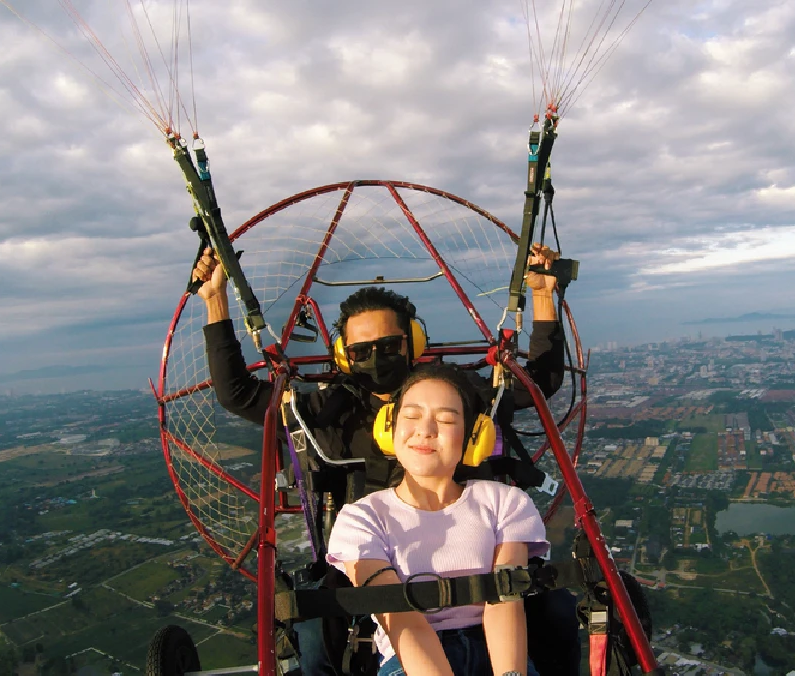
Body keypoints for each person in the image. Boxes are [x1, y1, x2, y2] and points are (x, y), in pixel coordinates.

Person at [192, 245, 577, 675]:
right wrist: (215, 300)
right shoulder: (333, 412)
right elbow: (240, 395)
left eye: (389, 345)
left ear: (411, 342)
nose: (376, 359)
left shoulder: (454, 393)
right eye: (361, 351)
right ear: (344, 356)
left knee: (559, 610)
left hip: (478, 551)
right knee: (315, 633)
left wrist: (542, 296)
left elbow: (536, 382)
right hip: (370, 552)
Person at [326, 364, 547, 676]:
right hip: (409, 661)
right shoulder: (361, 518)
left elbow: (506, 601)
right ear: (389, 428)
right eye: (412, 416)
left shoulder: (505, 502)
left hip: (496, 649)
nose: (425, 430)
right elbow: (399, 616)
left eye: (445, 419)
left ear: (473, 436)